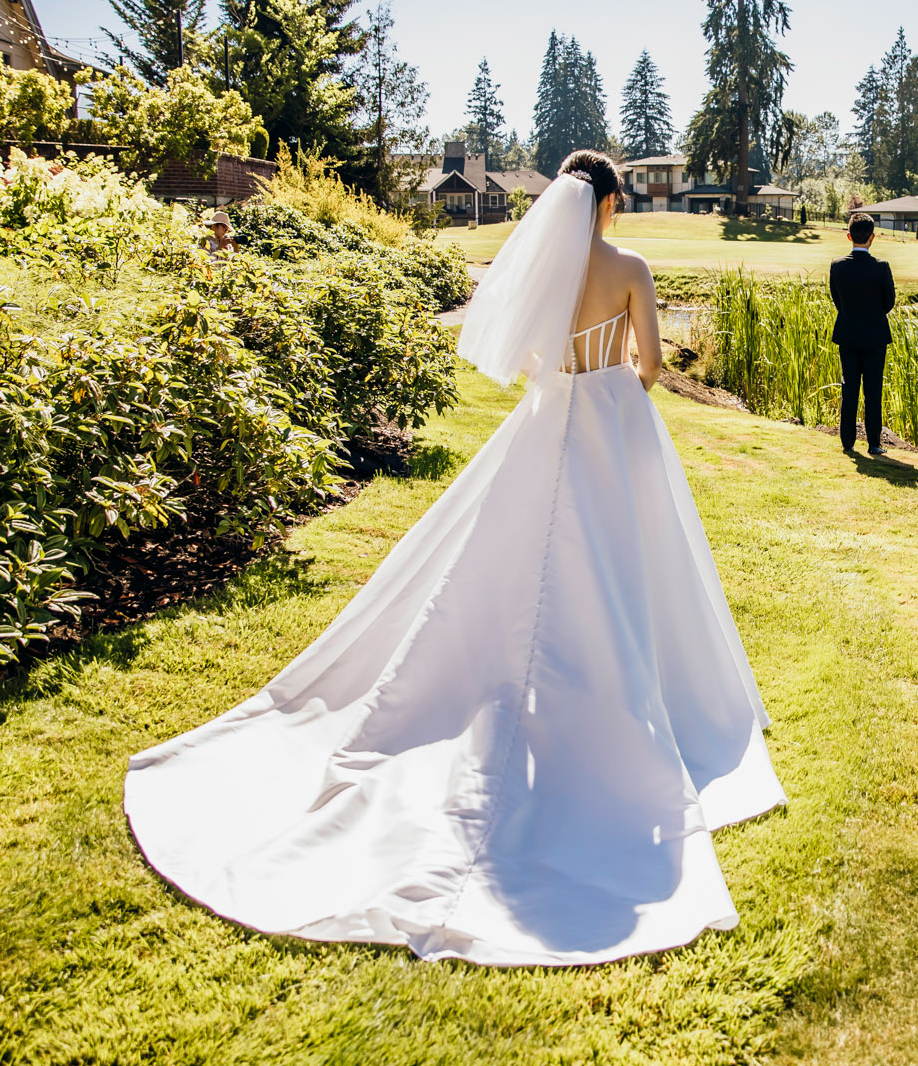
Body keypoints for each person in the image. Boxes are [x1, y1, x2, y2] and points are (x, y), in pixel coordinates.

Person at [124, 150, 786, 967]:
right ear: (610, 200)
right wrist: (615, 380)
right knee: (624, 572)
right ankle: (624, 704)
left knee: (516, 564)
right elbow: (648, 367)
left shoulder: (551, 270)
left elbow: (529, 361)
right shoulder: (630, 267)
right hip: (614, 428)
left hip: (550, 426)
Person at [829, 211, 895, 457]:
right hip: (875, 335)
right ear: (872, 238)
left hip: (847, 333)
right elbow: (889, 302)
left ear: (849, 236)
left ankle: (848, 442)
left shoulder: (838, 266)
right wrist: (872, 315)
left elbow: (838, 300)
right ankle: (874, 443)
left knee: (849, 388)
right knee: (873, 390)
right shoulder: (881, 267)